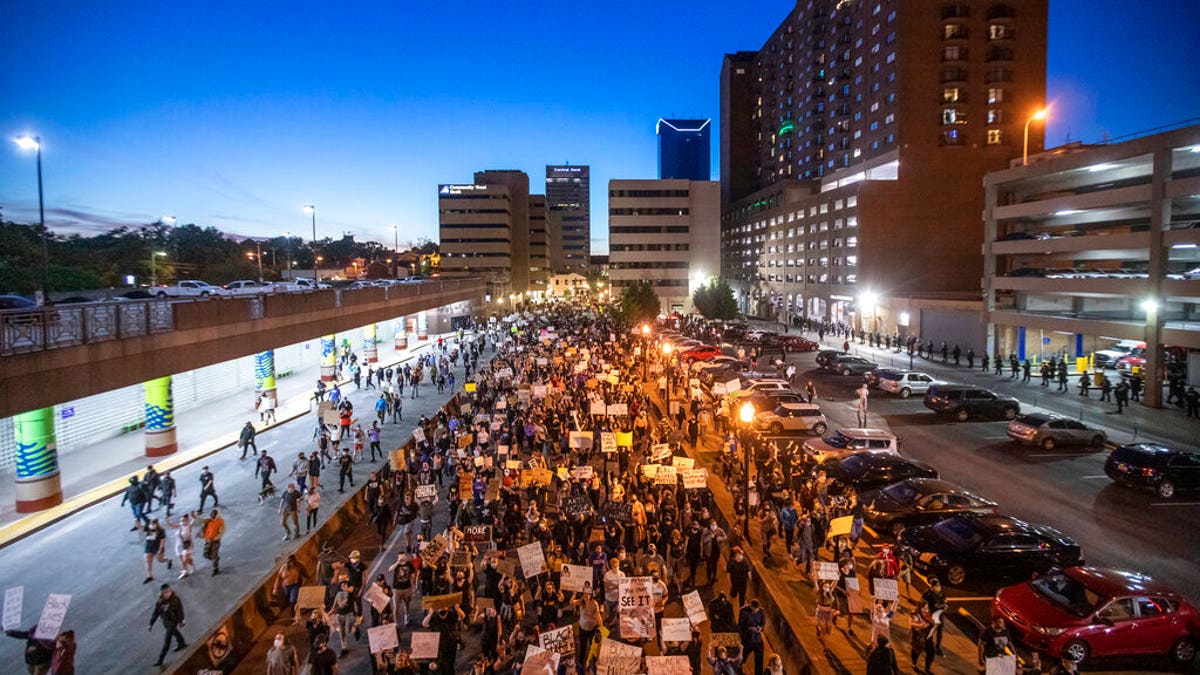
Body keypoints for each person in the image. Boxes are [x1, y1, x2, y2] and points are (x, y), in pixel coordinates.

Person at [148, 584, 187, 667]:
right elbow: (156, 613)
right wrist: (151, 623)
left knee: (167, 642)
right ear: (162, 593)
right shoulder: (160, 602)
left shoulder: (175, 599)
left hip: (173, 622)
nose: (168, 593)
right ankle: (181, 642)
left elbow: (180, 610)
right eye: (165, 592)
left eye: (169, 591)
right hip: (166, 622)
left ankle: (160, 660)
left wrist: (181, 620)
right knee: (175, 632)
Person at [138, 518, 172, 583]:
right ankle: (149, 576)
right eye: (150, 524)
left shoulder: (161, 530)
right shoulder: (148, 528)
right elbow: (140, 527)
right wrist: (136, 520)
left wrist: (160, 549)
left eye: (153, 524)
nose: (151, 525)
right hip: (148, 547)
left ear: (156, 524)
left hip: (157, 548)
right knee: (147, 561)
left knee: (160, 560)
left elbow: (162, 541)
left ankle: (168, 560)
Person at [738, 598, 766, 675]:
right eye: (754, 610)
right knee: (742, 657)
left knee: (759, 660)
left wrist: (760, 628)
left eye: (757, 610)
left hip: (757, 639)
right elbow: (740, 625)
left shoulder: (761, 612)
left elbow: (763, 623)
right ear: (751, 606)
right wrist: (748, 628)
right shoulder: (743, 611)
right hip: (747, 639)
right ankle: (739, 671)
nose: (756, 612)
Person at [921, 576, 948, 655]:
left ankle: (938, 647)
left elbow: (945, 599)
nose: (938, 587)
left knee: (940, 631)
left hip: (940, 614)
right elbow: (923, 603)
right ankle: (927, 646)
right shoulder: (927, 593)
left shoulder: (941, 590)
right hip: (931, 614)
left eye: (938, 585)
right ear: (931, 585)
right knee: (930, 631)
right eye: (936, 585)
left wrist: (944, 604)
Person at [200, 508, 225, 575]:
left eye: (214, 514)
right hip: (208, 540)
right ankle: (215, 558)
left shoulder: (220, 521)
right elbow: (201, 521)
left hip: (215, 541)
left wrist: (217, 537)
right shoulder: (209, 520)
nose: (212, 515)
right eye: (212, 514)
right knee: (206, 554)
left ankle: (215, 569)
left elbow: (222, 531)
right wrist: (195, 517)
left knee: (214, 554)